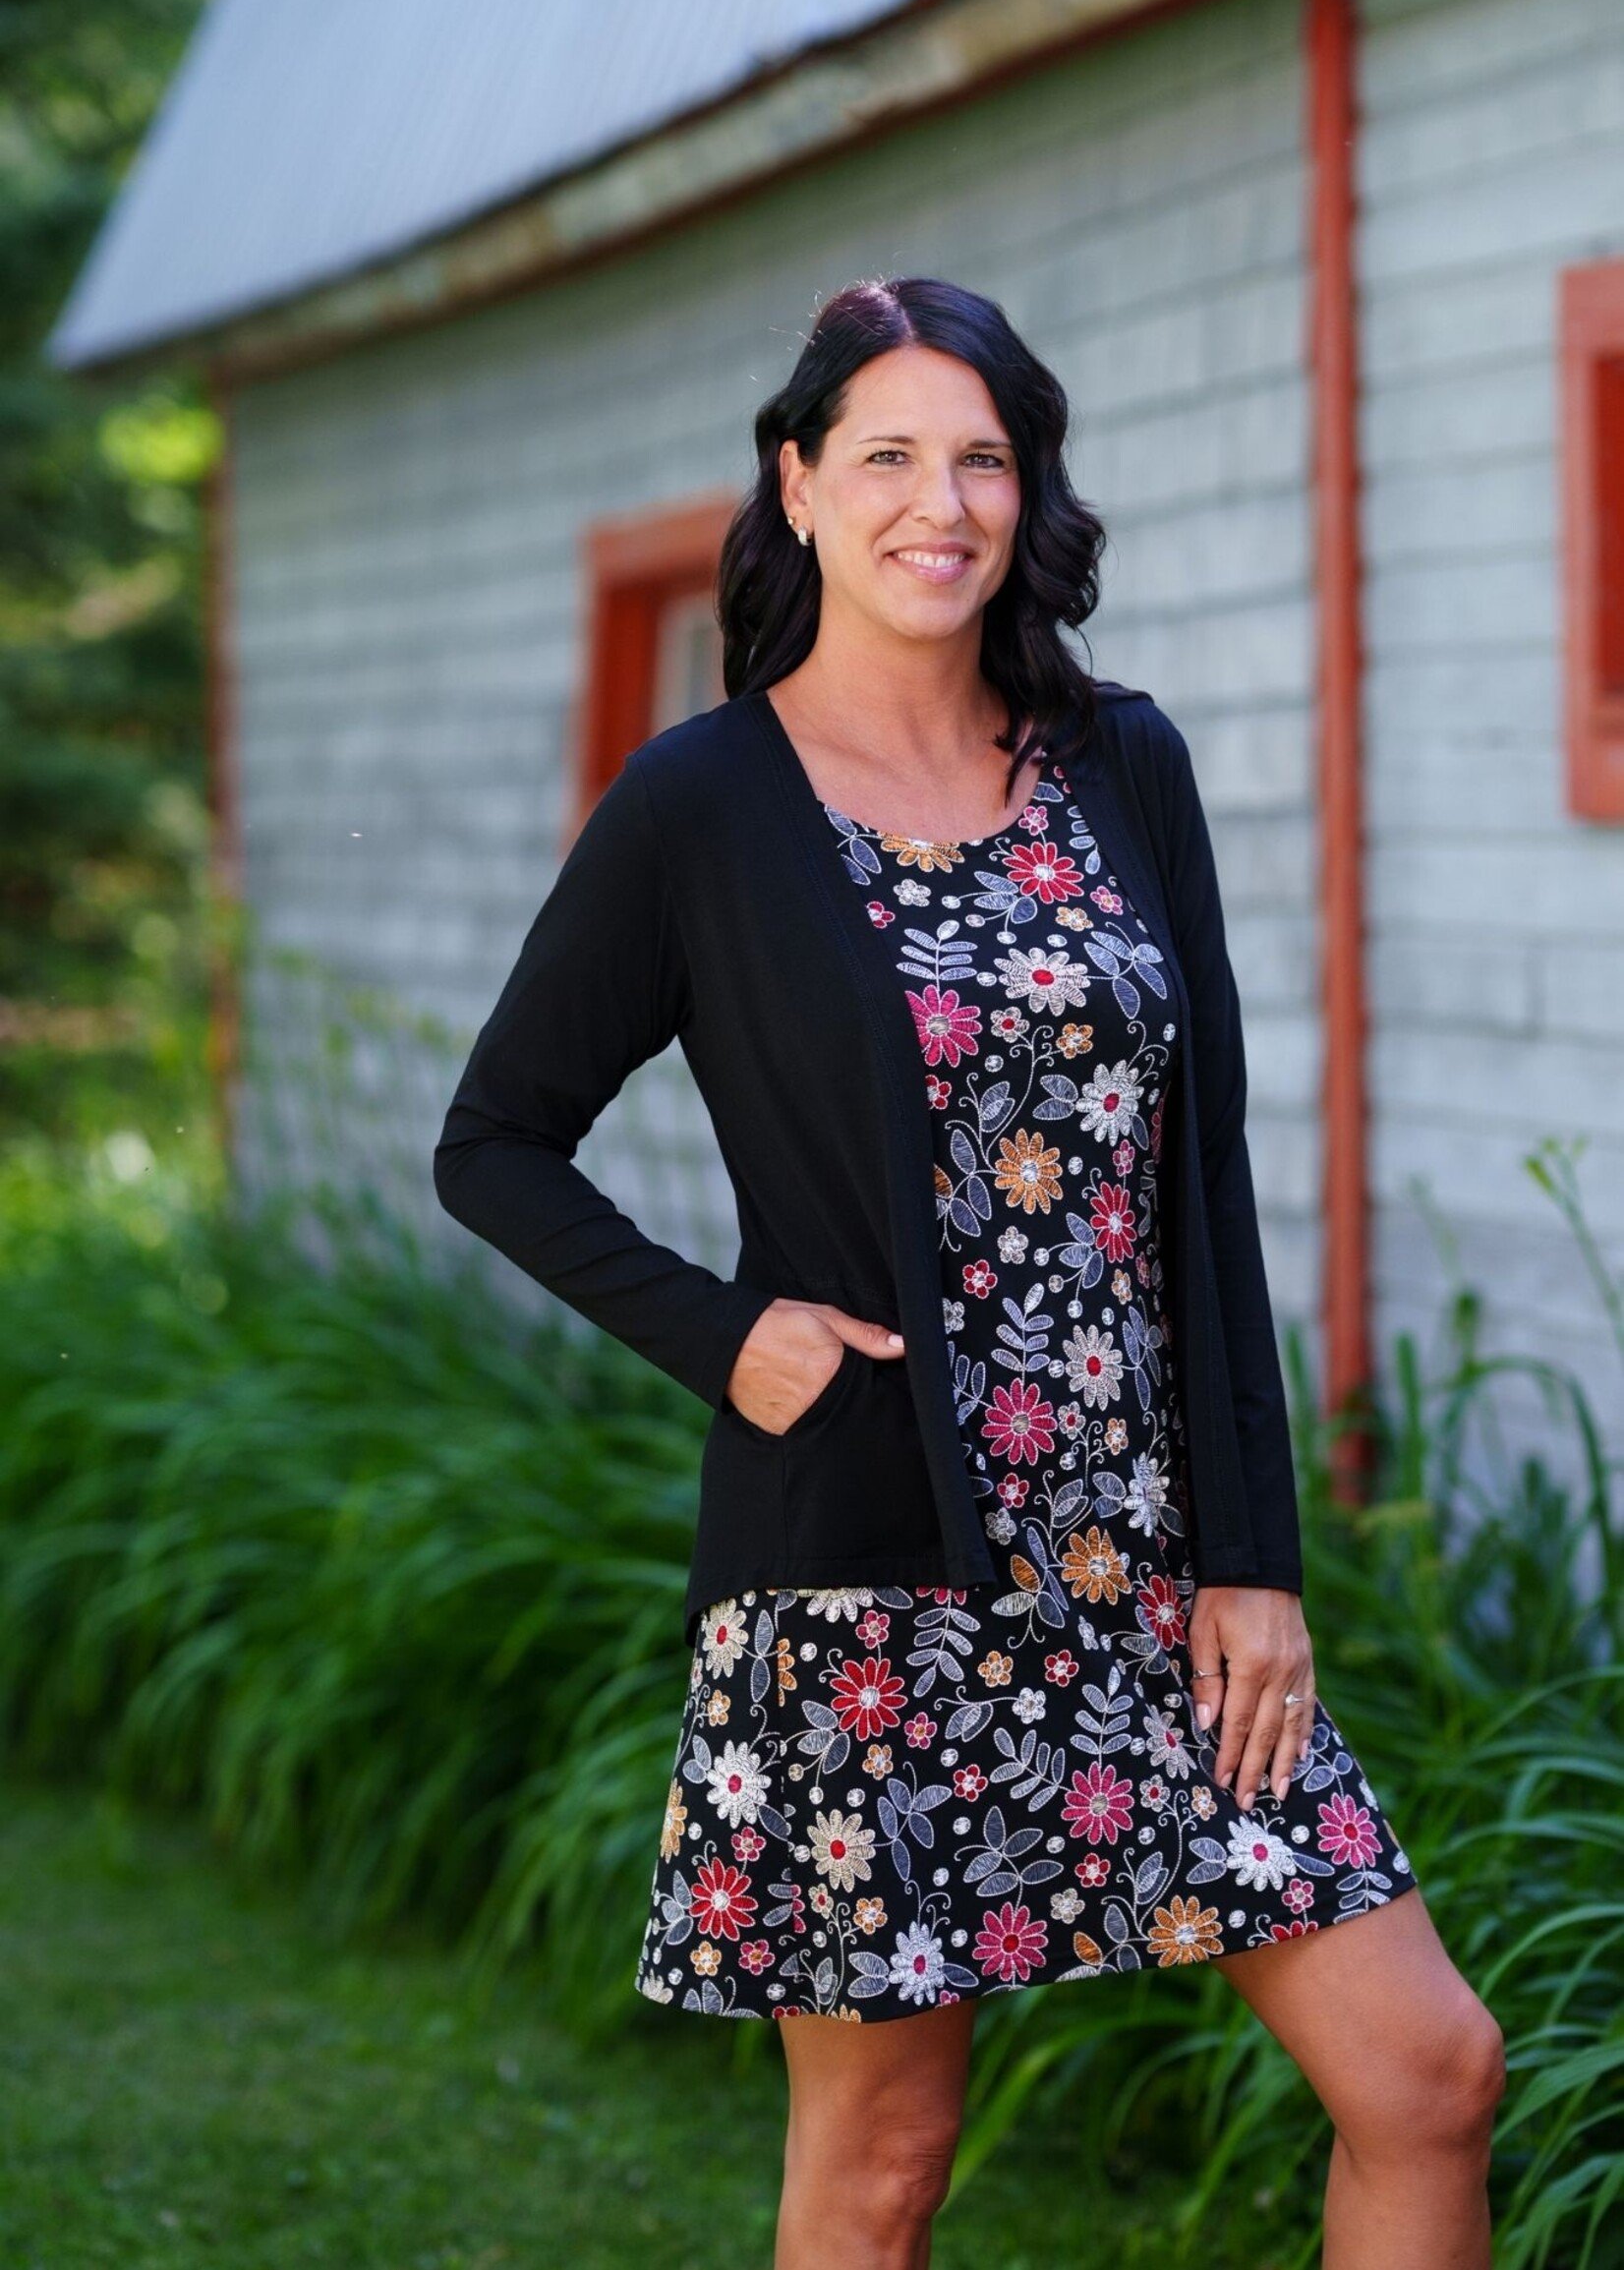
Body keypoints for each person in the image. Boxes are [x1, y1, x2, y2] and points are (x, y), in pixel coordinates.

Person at [434, 276, 1504, 2270]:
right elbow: (492, 1138)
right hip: (863, 1556)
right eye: (890, 455)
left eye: (983, 457)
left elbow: (1207, 1172)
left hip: (1153, 1568)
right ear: (801, 484)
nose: (942, 501)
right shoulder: (703, 802)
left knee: (1426, 2070)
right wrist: (721, 1330)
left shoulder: (1120, 763)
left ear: (1029, 488)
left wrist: (1251, 1555)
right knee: (883, 2163)